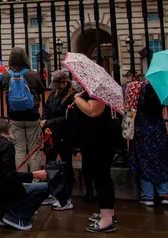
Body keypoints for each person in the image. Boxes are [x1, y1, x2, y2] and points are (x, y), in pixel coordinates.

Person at [0, 118, 50, 231]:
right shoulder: (7, 146)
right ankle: (18, 217)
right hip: (5, 192)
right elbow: (9, 176)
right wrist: (34, 175)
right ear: (9, 132)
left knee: (24, 188)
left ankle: (0, 209)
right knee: (45, 188)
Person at [67, 88, 120, 233]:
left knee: (101, 176)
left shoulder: (97, 90)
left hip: (100, 140)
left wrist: (77, 98)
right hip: (94, 139)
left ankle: (107, 220)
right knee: (100, 176)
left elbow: (93, 111)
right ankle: (108, 213)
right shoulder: (90, 90)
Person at [0, 47, 44, 172]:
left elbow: (3, 89)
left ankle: (23, 181)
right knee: (34, 151)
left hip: (14, 117)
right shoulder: (33, 74)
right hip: (32, 116)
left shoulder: (6, 75)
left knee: (19, 150)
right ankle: (35, 180)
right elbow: (41, 90)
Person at [129, 80, 168, 207]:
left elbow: (130, 108)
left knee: (143, 160)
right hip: (158, 128)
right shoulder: (162, 90)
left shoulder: (137, 89)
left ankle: (148, 196)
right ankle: (165, 194)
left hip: (143, 128)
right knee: (161, 159)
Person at [39, 69, 76, 211]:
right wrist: (44, 124)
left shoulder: (72, 97)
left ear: (64, 83)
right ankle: (51, 192)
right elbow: (46, 111)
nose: (55, 88)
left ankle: (66, 198)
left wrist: (48, 123)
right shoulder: (53, 95)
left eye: (58, 85)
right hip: (52, 135)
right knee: (50, 163)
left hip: (65, 136)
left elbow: (67, 119)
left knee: (66, 165)